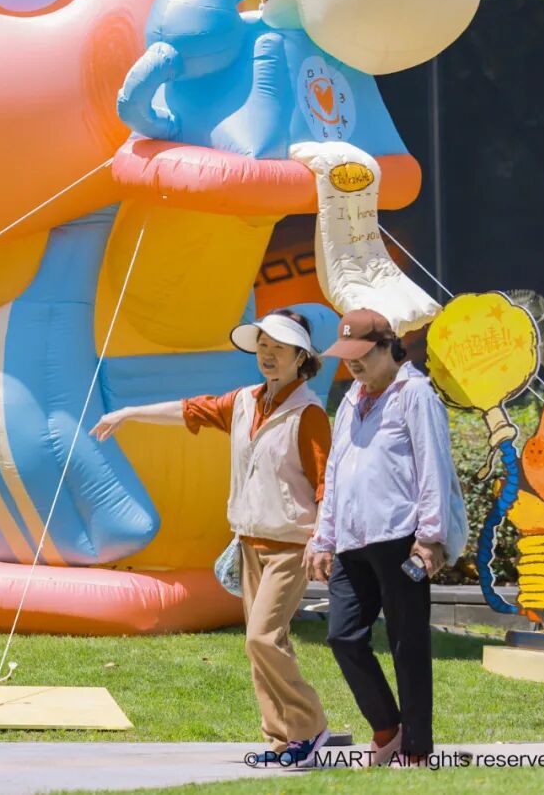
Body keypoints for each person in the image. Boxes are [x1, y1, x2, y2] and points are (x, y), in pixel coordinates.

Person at [92, 308, 332, 769]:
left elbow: (326, 484)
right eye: (263, 345)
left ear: (301, 357)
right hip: (249, 544)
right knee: (261, 644)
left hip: (290, 548)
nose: (267, 354)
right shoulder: (243, 402)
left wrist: (322, 540)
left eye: (278, 348)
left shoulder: (309, 414)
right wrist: (128, 413)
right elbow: (188, 410)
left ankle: (309, 728)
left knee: (262, 639)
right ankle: (280, 740)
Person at [304, 308, 468, 769]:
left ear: (387, 347)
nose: (352, 363)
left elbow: (433, 467)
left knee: (407, 643)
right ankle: (387, 728)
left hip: (401, 538)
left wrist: (430, 537)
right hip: (352, 540)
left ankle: (415, 747)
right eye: (346, 355)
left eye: (361, 353)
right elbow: (335, 471)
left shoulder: (415, 394)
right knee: (342, 637)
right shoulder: (350, 400)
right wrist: (323, 537)